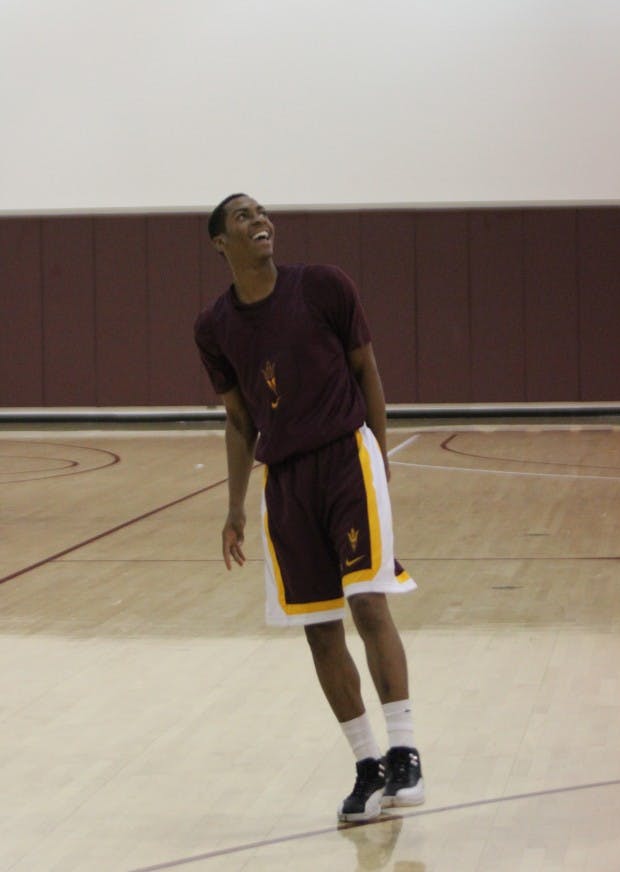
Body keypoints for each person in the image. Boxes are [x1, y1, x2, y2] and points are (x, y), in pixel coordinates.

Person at [194, 193, 424, 822]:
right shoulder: (214, 326)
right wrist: (235, 505)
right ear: (221, 242)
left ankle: (405, 753)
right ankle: (366, 765)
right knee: (319, 628)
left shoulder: (322, 286)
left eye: (261, 213)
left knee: (368, 601)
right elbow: (239, 420)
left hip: (346, 455)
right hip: (286, 481)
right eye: (242, 217)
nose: (258, 221)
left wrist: (378, 455)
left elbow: (367, 372)